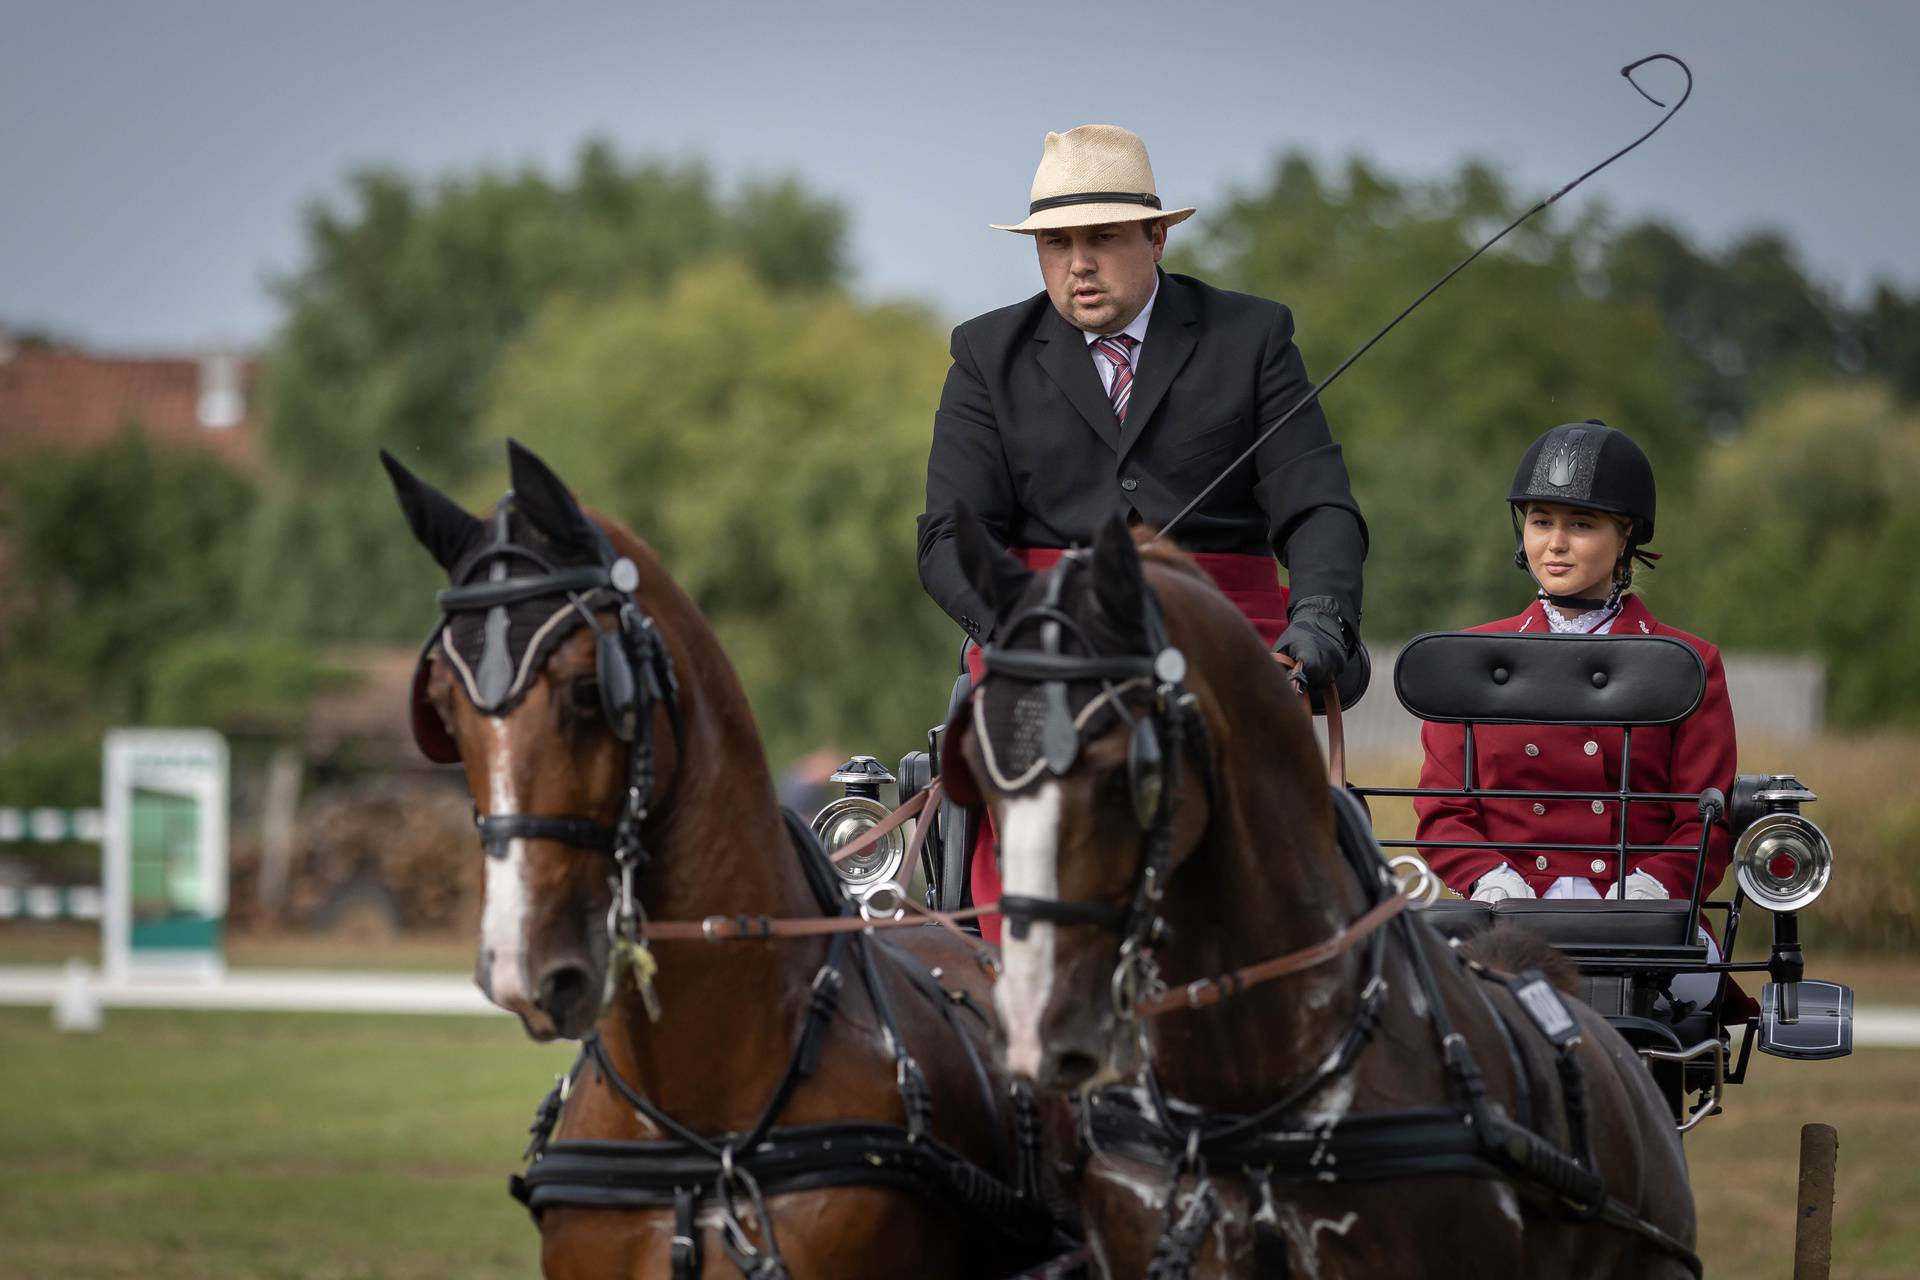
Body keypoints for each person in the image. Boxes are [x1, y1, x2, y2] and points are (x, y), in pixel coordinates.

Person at [917, 124, 1368, 939]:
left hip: (1228, 634)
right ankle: (1008, 964)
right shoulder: (987, 354)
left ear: (1156, 237)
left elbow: (1318, 507)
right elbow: (949, 537)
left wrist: (1319, 626)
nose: (1078, 263)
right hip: (1044, 631)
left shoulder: (1252, 337)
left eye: (1102, 238)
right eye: (1056, 243)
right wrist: (1022, 625)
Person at [1415, 419, 1737, 910]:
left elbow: (1707, 817)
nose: (1556, 544)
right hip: (1506, 902)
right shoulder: (1468, 656)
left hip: (1641, 906)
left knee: (1693, 989)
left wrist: (1654, 886)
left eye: (1581, 524)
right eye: (1541, 521)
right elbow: (1443, 810)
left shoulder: (1687, 662)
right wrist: (1488, 878)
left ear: (1625, 535)